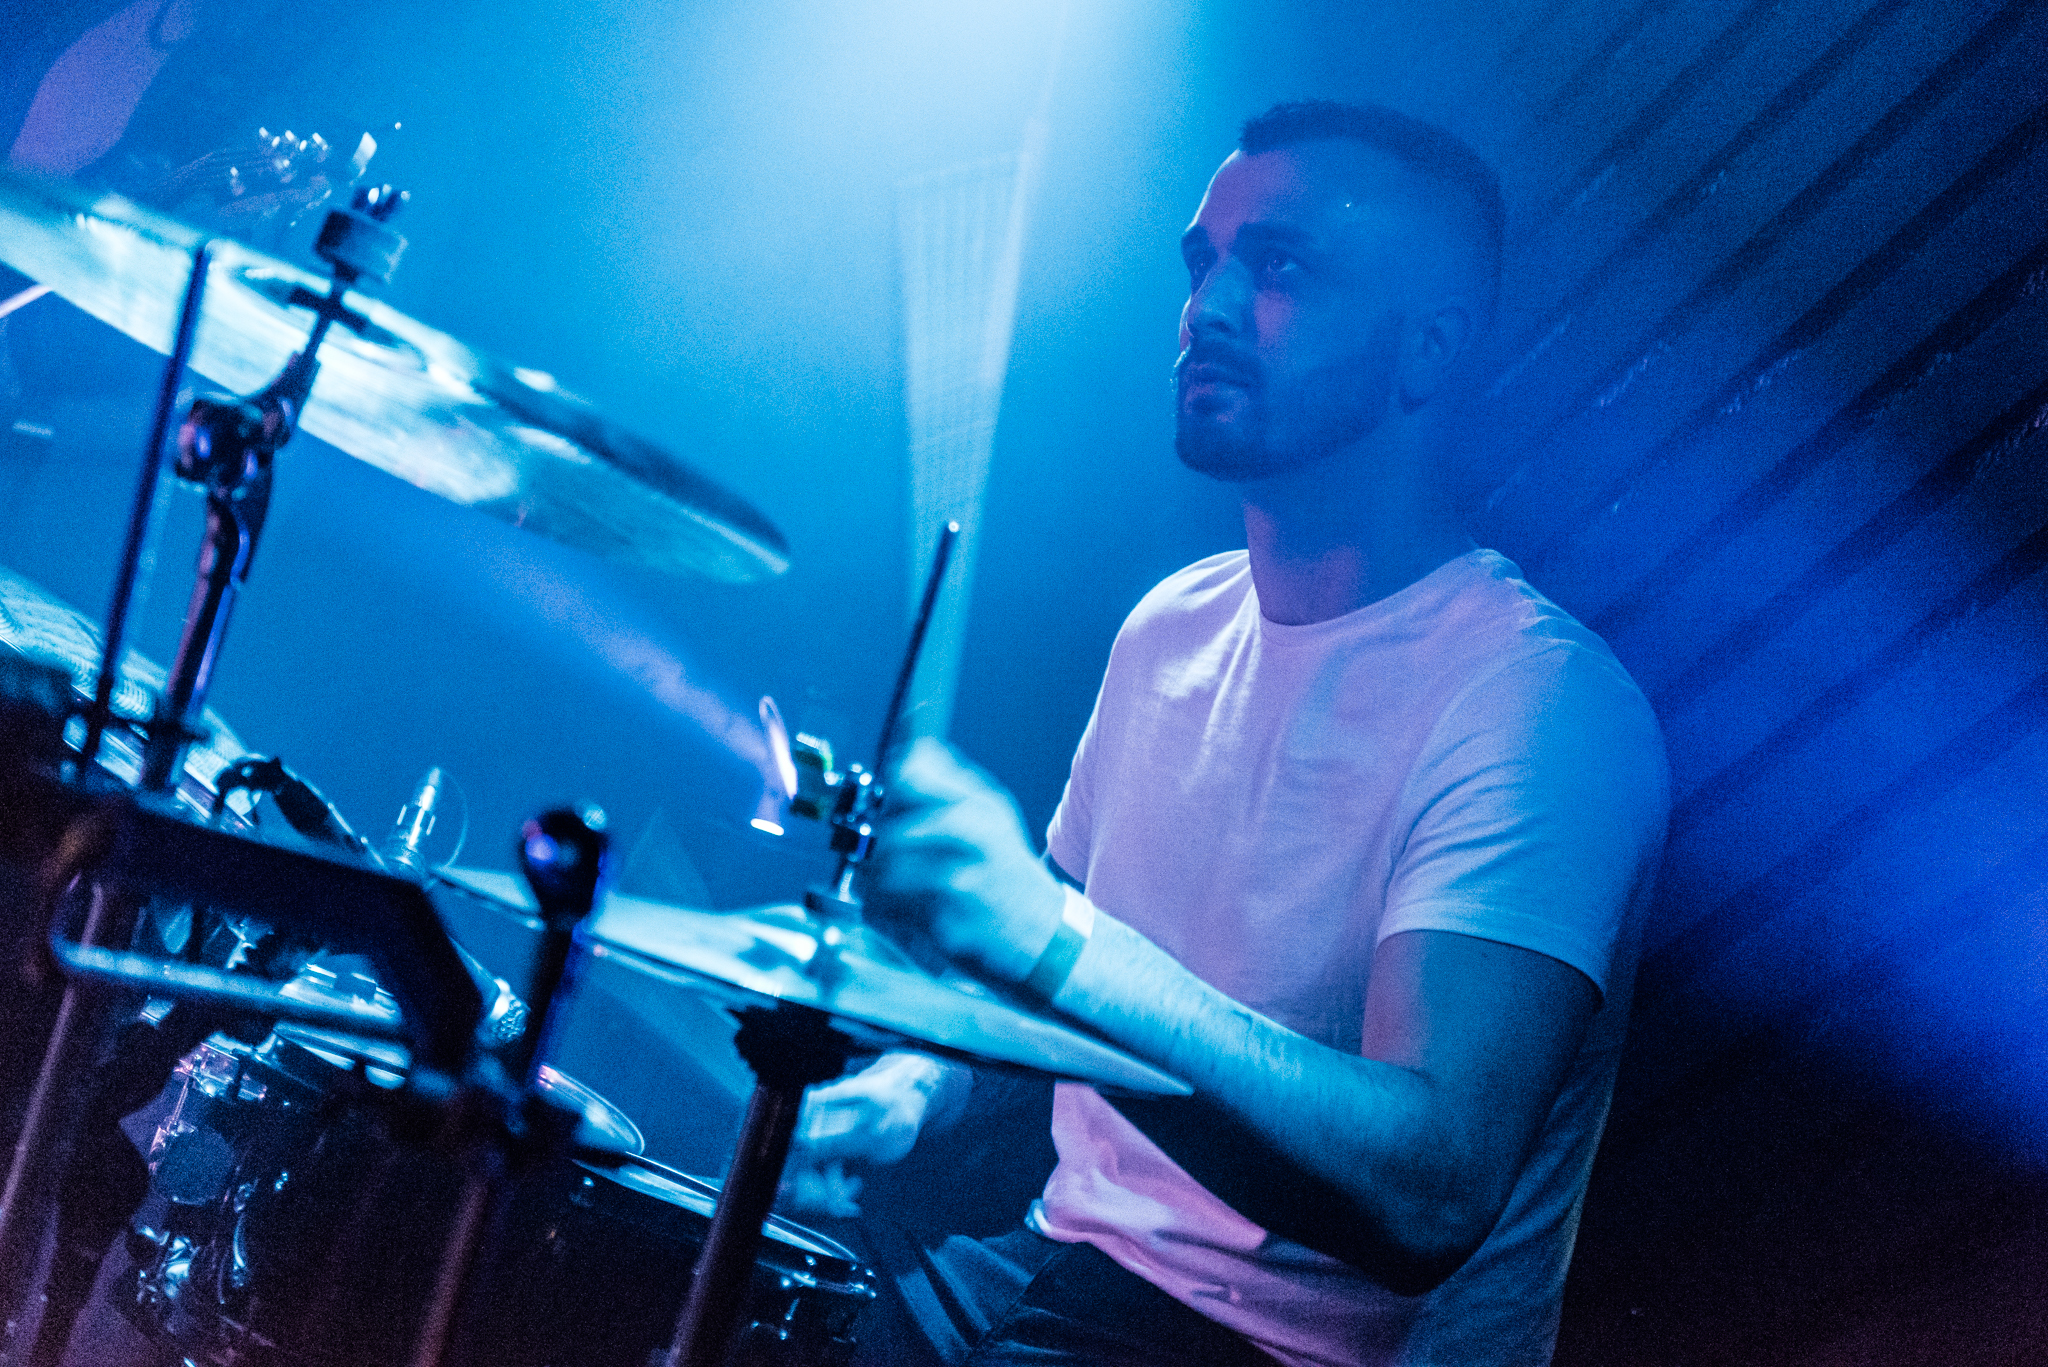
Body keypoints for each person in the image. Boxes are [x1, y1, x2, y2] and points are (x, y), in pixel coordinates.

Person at [791, 98, 1669, 1367]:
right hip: (1062, 1268)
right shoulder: (1171, 627)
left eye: (1280, 267)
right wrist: (914, 1088)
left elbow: (1428, 1190)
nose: (1205, 308)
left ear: (1427, 348)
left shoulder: (1538, 705)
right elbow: (1058, 1008)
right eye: (1202, 263)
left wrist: (1046, 937)